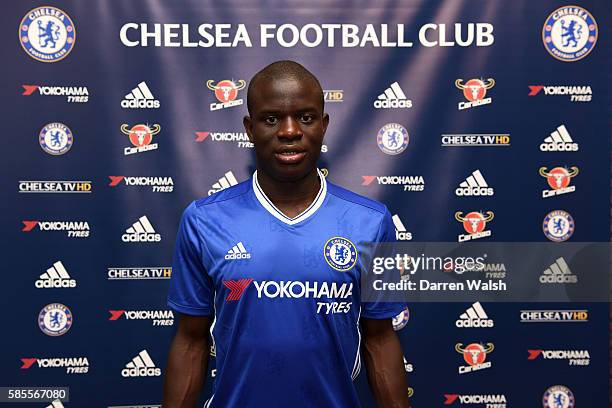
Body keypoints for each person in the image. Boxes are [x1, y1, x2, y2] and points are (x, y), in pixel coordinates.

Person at [163, 60, 409, 407]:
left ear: (323, 126)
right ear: (249, 128)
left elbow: (380, 339)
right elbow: (190, 340)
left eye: (306, 117)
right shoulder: (205, 220)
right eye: (271, 118)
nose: (290, 131)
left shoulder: (369, 222)